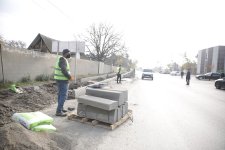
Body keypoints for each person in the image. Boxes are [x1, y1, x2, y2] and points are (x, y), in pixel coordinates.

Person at [54, 49, 73, 116]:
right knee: (63, 96)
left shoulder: (61, 59)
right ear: (66, 53)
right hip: (63, 80)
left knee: (60, 95)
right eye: (69, 53)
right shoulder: (63, 60)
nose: (69, 54)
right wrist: (69, 77)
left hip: (59, 79)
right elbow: (64, 70)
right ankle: (59, 111)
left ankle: (60, 108)